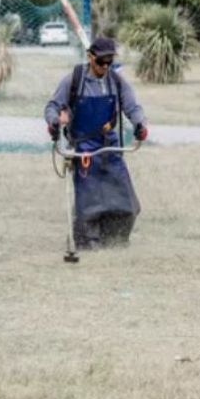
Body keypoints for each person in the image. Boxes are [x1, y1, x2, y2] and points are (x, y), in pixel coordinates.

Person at [44, 36, 149, 249]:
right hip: (83, 150)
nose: (105, 66)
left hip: (111, 148)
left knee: (125, 200)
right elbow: (52, 106)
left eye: (109, 62)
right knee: (89, 201)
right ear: (90, 57)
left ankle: (115, 240)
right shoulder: (74, 80)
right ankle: (87, 242)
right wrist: (55, 122)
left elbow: (132, 107)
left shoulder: (116, 82)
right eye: (101, 61)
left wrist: (140, 125)